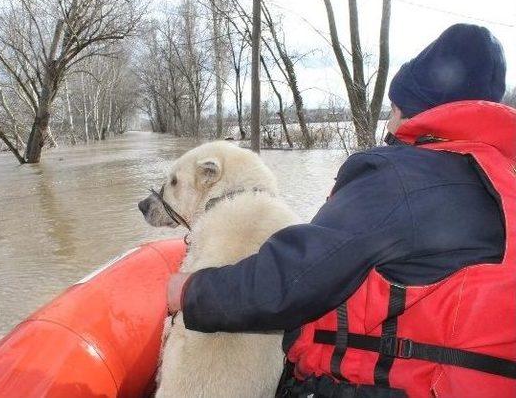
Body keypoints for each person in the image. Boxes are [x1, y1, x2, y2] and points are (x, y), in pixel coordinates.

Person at [166, 23, 516, 397]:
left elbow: (294, 278)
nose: (390, 121)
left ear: (416, 111)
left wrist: (191, 292)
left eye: (395, 108)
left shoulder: (397, 178)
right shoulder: (502, 178)